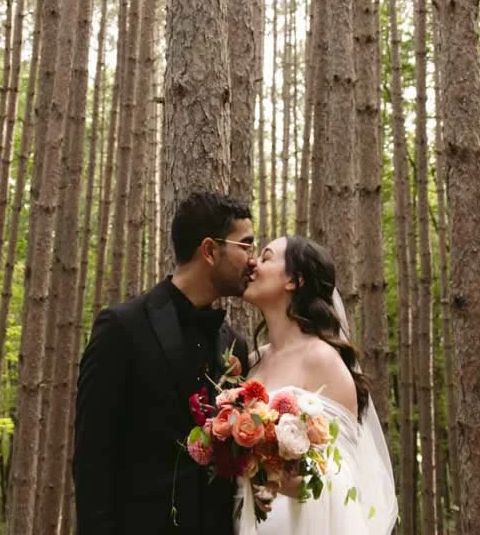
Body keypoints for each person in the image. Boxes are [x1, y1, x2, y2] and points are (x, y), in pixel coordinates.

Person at [74, 191, 257, 535]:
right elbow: (92, 461)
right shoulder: (122, 328)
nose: (253, 259)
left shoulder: (236, 345)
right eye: (245, 245)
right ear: (209, 250)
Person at [236, 236, 397, 534]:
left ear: (294, 281)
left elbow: (340, 474)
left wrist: (270, 474)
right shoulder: (253, 361)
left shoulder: (323, 360)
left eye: (267, 257)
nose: (254, 263)